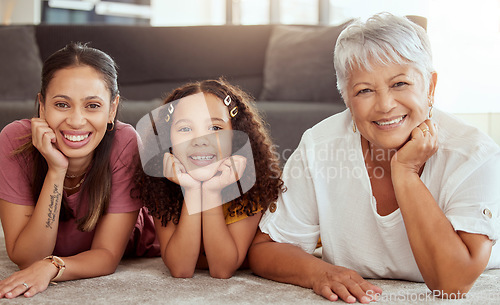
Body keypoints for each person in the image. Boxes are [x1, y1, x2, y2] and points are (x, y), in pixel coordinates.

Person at [248, 12, 500, 303]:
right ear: (346, 99)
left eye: (400, 84)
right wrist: (318, 272)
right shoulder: (319, 144)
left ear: (430, 87)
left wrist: (405, 172)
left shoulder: (474, 154)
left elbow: (452, 283)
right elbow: (266, 248)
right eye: (364, 90)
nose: (385, 105)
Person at [0, 42, 158, 299]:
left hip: (146, 241)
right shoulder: (14, 141)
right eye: (62, 104)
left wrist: (53, 266)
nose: (75, 121)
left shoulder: (124, 142)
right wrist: (56, 169)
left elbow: (106, 255)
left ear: (113, 109)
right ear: (42, 105)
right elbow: (27, 258)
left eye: (92, 106)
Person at [136, 79, 284, 278]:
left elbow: (222, 269)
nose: (200, 141)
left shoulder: (253, 180)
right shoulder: (161, 182)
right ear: (167, 139)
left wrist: (211, 191)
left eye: (215, 128)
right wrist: (192, 190)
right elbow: (181, 268)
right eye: (185, 129)